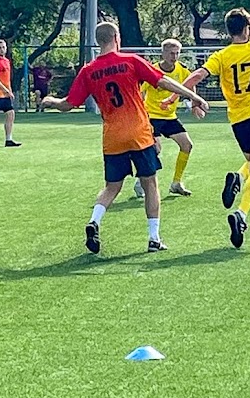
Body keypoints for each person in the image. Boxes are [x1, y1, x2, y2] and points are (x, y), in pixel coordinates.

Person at [42, 22, 209, 254]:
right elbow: (162, 81)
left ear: (99, 40)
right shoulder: (130, 61)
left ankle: (94, 222)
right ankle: (154, 238)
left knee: (112, 187)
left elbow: (69, 104)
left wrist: (51, 100)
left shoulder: (88, 70)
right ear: (116, 37)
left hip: (112, 137)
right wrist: (193, 96)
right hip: (139, 133)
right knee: (150, 183)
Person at [168, 7, 250, 248]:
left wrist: (176, 96)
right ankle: (241, 214)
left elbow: (198, 75)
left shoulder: (222, 56)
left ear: (230, 31)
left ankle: (237, 177)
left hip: (238, 120)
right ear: (248, 29)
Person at [133, 38, 195, 199]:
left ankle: (176, 183)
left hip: (170, 117)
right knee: (156, 149)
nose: (174, 57)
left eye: (177, 53)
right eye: (171, 53)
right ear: (163, 53)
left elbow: (190, 84)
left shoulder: (182, 70)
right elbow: (140, 93)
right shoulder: (152, 70)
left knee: (187, 145)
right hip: (151, 116)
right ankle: (141, 182)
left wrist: (194, 103)